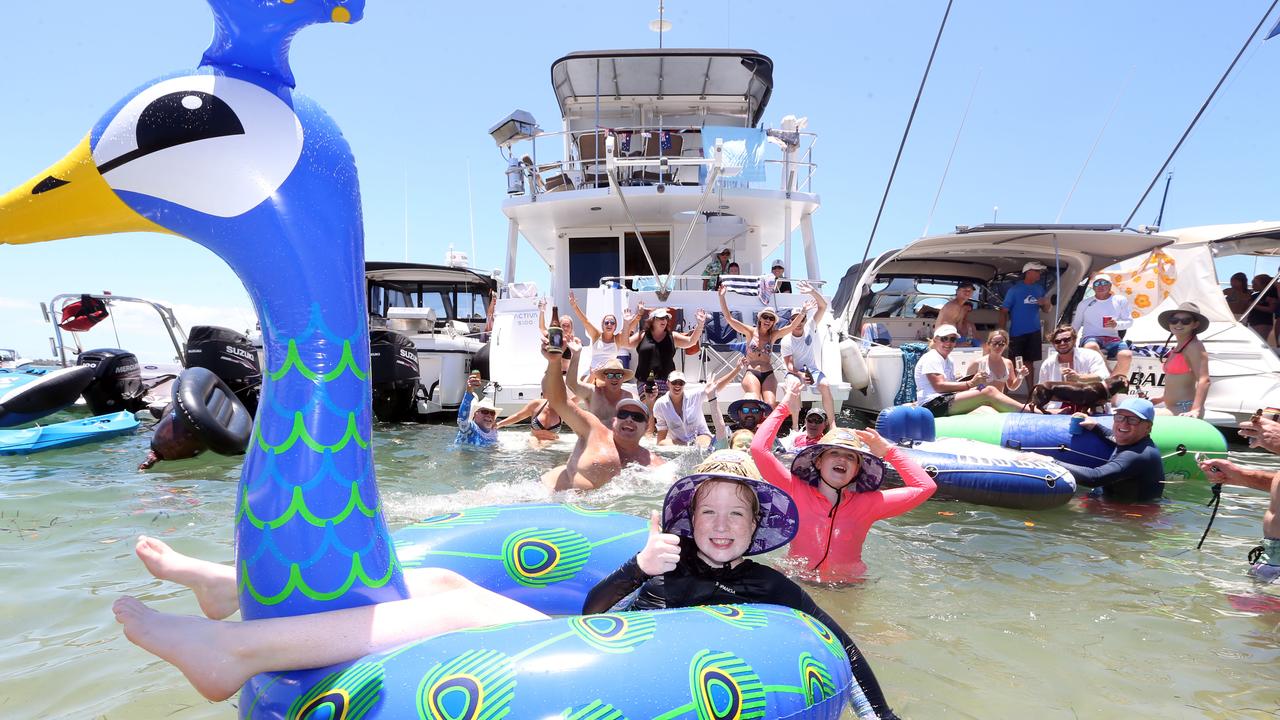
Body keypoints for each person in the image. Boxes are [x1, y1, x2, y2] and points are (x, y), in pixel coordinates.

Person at [582, 451, 903, 720]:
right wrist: (638, 568)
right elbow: (591, 621)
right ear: (691, 518)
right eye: (708, 511)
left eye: (736, 513)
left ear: (754, 524)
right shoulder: (662, 572)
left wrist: (880, 715)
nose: (721, 525)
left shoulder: (771, 587)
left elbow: (842, 649)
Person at [113, 536, 550, 702]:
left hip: (617, 641)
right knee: (442, 581)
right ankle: (232, 587)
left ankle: (234, 649)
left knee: (465, 611)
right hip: (611, 620)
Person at [751, 380, 936, 580]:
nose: (842, 459)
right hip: (798, 580)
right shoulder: (795, 490)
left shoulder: (869, 504)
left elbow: (925, 487)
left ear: (857, 470)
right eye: (835, 453)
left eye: (850, 457)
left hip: (847, 589)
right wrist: (785, 405)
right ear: (819, 462)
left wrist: (889, 452)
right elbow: (758, 449)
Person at [540, 340, 664, 491]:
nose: (629, 419)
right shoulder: (593, 410)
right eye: (623, 414)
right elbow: (563, 396)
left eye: (618, 375)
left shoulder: (631, 398)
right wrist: (559, 361)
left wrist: (650, 403)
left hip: (615, 458)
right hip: (590, 445)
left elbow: (646, 419)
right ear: (614, 420)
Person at [1058, 398, 1164, 503]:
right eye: (1119, 417)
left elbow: (1095, 477)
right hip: (1109, 500)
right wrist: (1094, 426)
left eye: (1133, 420)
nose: (1123, 424)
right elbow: (1112, 436)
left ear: (1148, 428)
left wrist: (1050, 461)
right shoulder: (1133, 441)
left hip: (1129, 514)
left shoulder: (1137, 455)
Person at [719, 285, 804, 407]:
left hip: (768, 373)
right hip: (752, 372)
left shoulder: (773, 336)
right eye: (765, 317)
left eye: (771, 318)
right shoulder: (750, 332)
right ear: (760, 319)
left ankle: (768, 426)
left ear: (773, 322)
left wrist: (803, 311)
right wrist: (721, 297)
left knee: (770, 404)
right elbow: (729, 318)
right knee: (755, 402)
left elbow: (791, 327)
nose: (768, 320)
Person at [915, 324, 1024, 417]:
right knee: (988, 391)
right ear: (935, 340)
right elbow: (939, 386)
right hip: (933, 405)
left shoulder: (948, 360)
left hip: (943, 401)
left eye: (952, 339)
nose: (948, 342)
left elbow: (1012, 386)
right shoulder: (932, 357)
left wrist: (1020, 376)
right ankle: (1028, 411)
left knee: (987, 404)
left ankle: (1026, 412)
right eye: (944, 338)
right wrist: (971, 383)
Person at [781, 282, 837, 431]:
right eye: (795, 319)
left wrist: (812, 291)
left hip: (812, 370)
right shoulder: (787, 339)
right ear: (791, 321)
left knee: (825, 385)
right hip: (795, 371)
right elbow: (790, 366)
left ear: (805, 320)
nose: (798, 323)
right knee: (794, 387)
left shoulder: (810, 326)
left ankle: (832, 425)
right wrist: (800, 375)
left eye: (801, 319)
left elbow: (823, 306)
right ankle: (794, 427)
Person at [628, 304, 706, 394]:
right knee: (649, 405)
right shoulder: (642, 335)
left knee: (663, 405)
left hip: (666, 382)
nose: (664, 320)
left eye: (666, 318)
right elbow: (625, 343)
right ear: (652, 320)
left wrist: (700, 325)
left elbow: (691, 342)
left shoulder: (673, 336)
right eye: (661, 318)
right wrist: (629, 323)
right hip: (645, 381)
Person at [1150, 302, 1211, 418]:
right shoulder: (1178, 347)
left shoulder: (1194, 347)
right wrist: (1160, 398)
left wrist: (1196, 410)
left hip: (1186, 409)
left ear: (1195, 325)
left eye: (1186, 321)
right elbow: (1178, 382)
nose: (1178, 324)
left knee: (1137, 416)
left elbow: (1204, 379)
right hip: (1172, 408)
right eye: (1174, 320)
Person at [653, 367, 738, 447]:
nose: (677, 385)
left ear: (684, 384)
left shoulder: (695, 395)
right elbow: (661, 437)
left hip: (701, 436)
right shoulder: (660, 404)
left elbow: (715, 387)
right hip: (679, 442)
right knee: (662, 444)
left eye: (681, 383)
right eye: (674, 382)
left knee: (702, 444)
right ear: (667, 383)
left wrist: (737, 369)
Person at [1000, 261, 1052, 388]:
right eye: (1037, 271)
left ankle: (1031, 394)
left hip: (1034, 331)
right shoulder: (1014, 290)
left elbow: (1047, 310)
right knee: (1012, 363)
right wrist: (1001, 332)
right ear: (1028, 272)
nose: (1039, 274)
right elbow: (1003, 311)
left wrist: (1045, 303)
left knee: (1030, 363)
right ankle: (1005, 392)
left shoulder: (1039, 289)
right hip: (1017, 332)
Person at [1072, 275, 1134, 379]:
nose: (1101, 286)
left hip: (1113, 339)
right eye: (1097, 283)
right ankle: (1110, 379)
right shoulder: (1084, 304)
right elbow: (1076, 324)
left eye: (1104, 283)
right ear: (1093, 287)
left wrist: (1117, 324)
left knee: (1126, 355)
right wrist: (1071, 343)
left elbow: (1129, 322)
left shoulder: (1120, 300)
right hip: (1090, 337)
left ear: (1110, 286)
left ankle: (1112, 383)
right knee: (1091, 347)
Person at [566, 290, 637, 374]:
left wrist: (638, 316)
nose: (609, 324)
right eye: (606, 322)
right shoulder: (596, 335)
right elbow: (585, 321)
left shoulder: (617, 338)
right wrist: (574, 306)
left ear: (615, 326)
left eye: (612, 323)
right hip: (594, 372)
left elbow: (628, 329)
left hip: (609, 374)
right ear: (602, 325)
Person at [566, 355, 642, 426]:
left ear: (623, 378)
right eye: (610, 375)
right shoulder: (593, 392)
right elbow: (571, 384)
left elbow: (641, 424)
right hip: (595, 437)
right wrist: (576, 354)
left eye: (618, 375)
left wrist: (649, 401)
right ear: (604, 377)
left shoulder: (631, 398)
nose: (614, 379)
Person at [1037, 324, 1109, 386]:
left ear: (1074, 340)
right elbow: (1042, 387)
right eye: (1057, 341)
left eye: (1066, 340)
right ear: (1053, 344)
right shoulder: (1048, 364)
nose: (1062, 343)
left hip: (1085, 399)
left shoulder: (1091, 355)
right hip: (1058, 401)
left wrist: (1079, 377)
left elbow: (1103, 376)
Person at [962, 329, 1028, 395]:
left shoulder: (1008, 363)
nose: (997, 346)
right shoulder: (977, 363)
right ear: (989, 344)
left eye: (1001, 344)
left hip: (998, 401)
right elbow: (966, 387)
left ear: (1005, 345)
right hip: (981, 401)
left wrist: (1020, 376)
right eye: (994, 343)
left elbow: (1012, 387)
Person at [495, 392, 562, 447]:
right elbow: (518, 416)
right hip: (534, 440)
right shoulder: (536, 404)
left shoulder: (563, 409)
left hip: (552, 443)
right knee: (536, 449)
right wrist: (498, 424)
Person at [455, 375, 499, 446]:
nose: (489, 415)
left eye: (492, 413)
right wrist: (469, 391)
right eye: (485, 411)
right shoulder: (469, 428)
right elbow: (462, 419)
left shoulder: (494, 431)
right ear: (475, 413)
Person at [937, 282, 980, 346]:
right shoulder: (953, 306)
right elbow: (945, 329)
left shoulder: (960, 307)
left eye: (970, 291)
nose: (967, 292)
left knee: (981, 344)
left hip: (953, 339)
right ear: (957, 291)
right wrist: (958, 345)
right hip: (944, 341)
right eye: (964, 290)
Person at [1248, 274, 1278, 342]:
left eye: (1255, 284)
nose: (1253, 286)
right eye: (1252, 283)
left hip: (1263, 323)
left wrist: (1253, 305)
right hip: (1252, 322)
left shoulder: (1271, 293)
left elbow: (1271, 309)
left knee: (1259, 342)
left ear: (1263, 284)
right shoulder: (1255, 295)